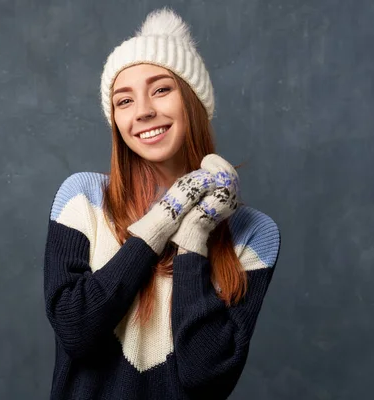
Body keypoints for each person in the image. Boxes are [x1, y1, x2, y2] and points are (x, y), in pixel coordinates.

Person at [43, 7, 281, 400]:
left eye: (161, 89)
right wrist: (163, 219)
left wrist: (193, 235)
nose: (143, 111)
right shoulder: (82, 198)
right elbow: (77, 331)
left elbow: (206, 378)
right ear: (116, 121)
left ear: (193, 102)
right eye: (124, 101)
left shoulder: (254, 235)